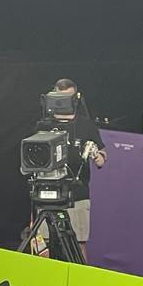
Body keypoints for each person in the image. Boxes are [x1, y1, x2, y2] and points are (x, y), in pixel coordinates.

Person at [44, 79, 105, 260]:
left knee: (78, 242)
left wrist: (97, 155)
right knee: (44, 242)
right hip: (48, 191)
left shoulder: (86, 125)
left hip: (77, 192)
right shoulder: (44, 124)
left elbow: (102, 156)